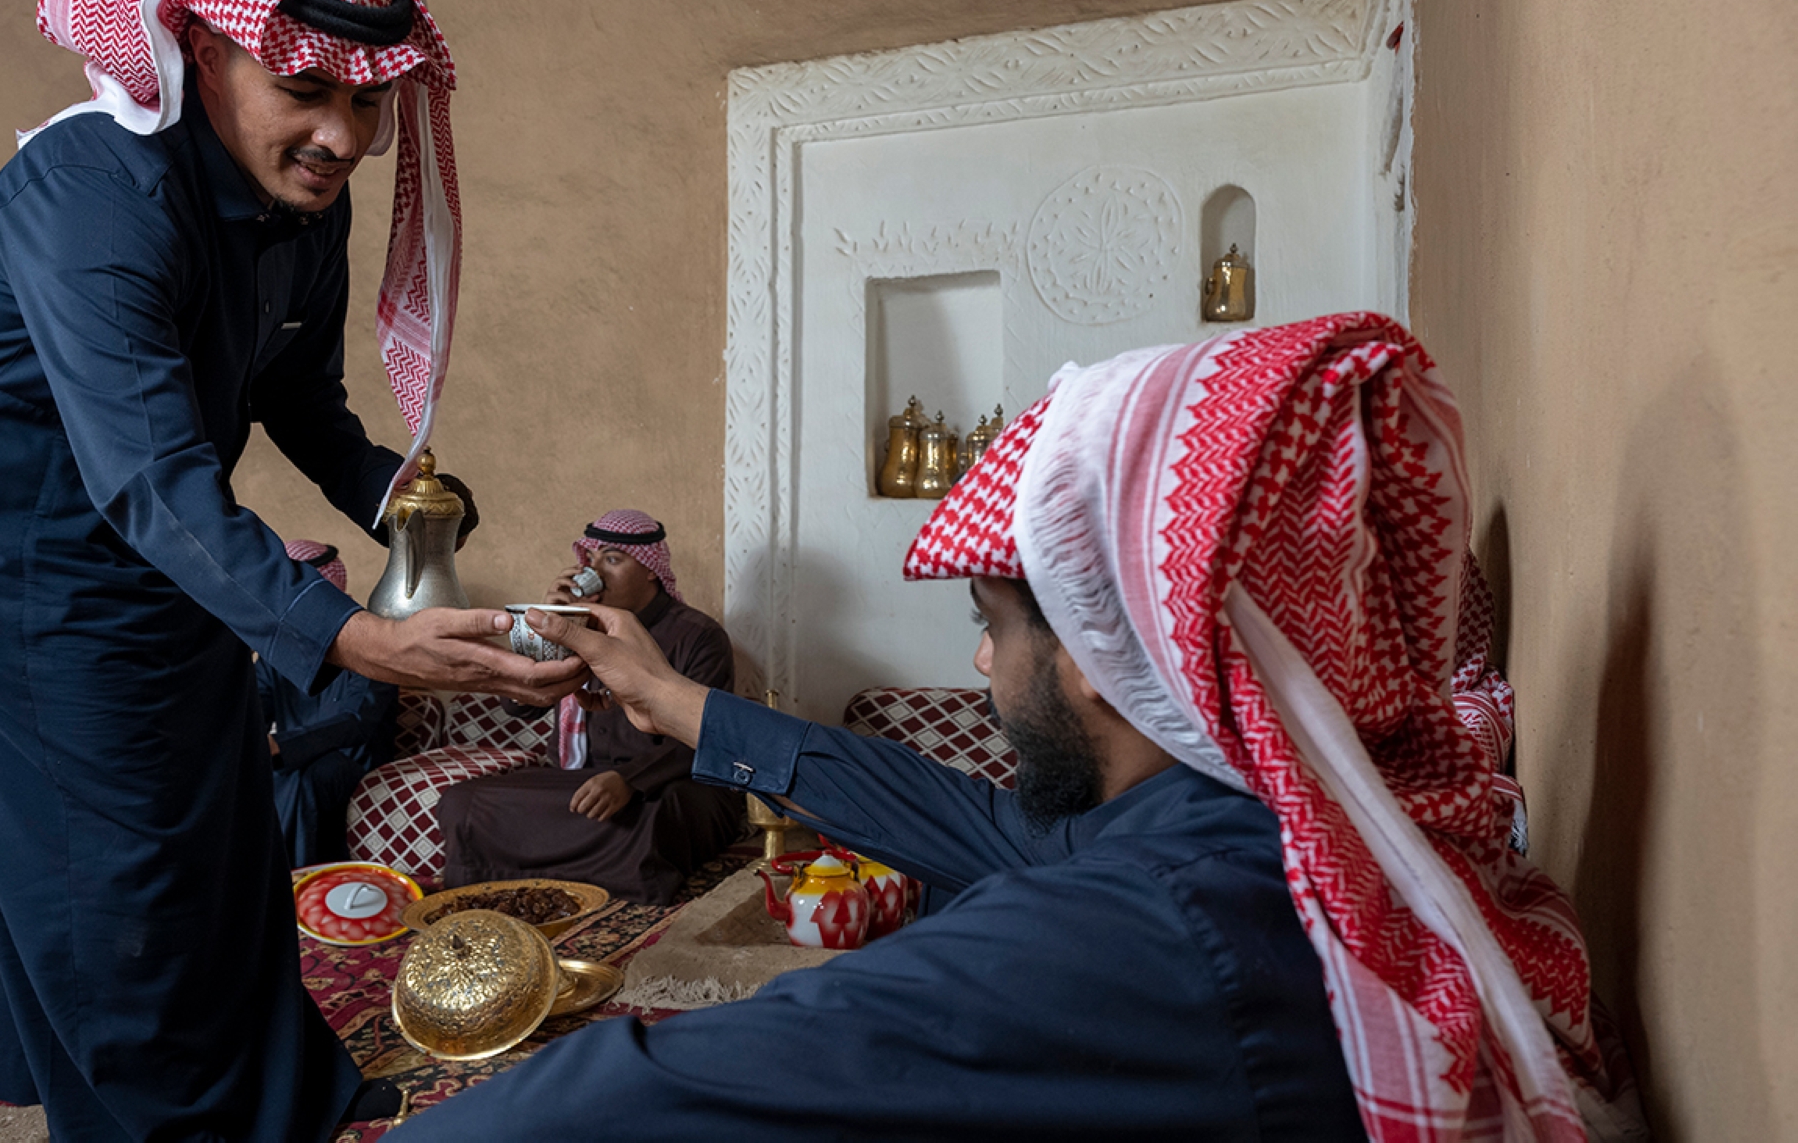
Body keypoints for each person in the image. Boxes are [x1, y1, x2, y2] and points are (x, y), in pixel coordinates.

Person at [392, 314, 1648, 1141]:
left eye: (996, 619)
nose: (980, 656)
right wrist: (669, 702)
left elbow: (648, 1099)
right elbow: (983, 821)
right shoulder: (1252, 823)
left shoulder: (1156, 922)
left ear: (1111, 653)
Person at [0, 0, 581, 1137]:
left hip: (162, 507)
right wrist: (358, 639)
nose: (341, 135)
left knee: (217, 805)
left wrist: (400, 502)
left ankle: (277, 1093)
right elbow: (147, 478)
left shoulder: (301, 201)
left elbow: (293, 396)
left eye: (367, 100)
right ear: (205, 49)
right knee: (114, 842)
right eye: (304, 87)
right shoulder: (88, 190)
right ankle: (170, 1115)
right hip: (20, 533)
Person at [435, 510, 744, 904]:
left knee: (650, 821)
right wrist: (543, 628)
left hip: (671, 783)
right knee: (463, 803)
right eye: (591, 560)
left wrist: (629, 781)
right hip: (585, 780)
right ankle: (516, 886)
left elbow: (703, 735)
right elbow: (522, 707)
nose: (595, 572)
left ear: (651, 570)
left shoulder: (698, 637)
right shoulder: (577, 625)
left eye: (612, 560)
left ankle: (569, 878)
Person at [263, 540, 403, 867]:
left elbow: (355, 721)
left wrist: (281, 745)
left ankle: (293, 885)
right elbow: (255, 701)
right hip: (293, 755)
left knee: (301, 775)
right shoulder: (280, 649)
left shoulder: (373, 640)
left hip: (355, 763)